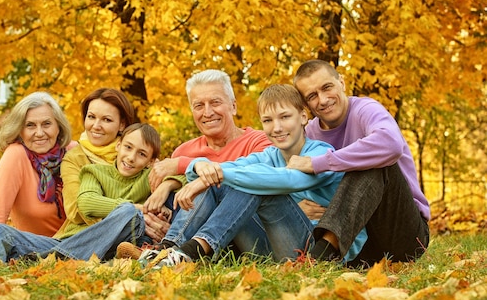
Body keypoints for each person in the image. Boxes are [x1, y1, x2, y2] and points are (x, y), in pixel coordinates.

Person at [135, 84, 367, 268]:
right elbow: (227, 166)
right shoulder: (268, 155)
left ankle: (192, 251)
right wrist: (199, 168)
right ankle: (168, 249)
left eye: (284, 117)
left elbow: (287, 180)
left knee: (252, 183)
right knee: (225, 181)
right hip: (268, 249)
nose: (276, 127)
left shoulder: (320, 153)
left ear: (303, 117)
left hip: (313, 251)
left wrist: (215, 174)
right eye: (268, 121)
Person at [288, 59, 430, 266]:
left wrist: (319, 163)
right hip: (357, 244)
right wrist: (296, 206)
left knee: (375, 161)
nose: (323, 99)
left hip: (402, 234)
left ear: (342, 83)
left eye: (327, 87)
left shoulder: (366, 110)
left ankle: (322, 255)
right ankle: (323, 253)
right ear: (306, 105)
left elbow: (391, 144)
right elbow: (284, 169)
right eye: (312, 96)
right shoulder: (308, 134)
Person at [121, 69, 274, 257]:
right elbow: (173, 208)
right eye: (199, 105)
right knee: (196, 188)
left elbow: (259, 178)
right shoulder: (183, 151)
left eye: (215, 102)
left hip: (252, 239)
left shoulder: (261, 141)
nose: (207, 112)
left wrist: (184, 164)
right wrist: (167, 187)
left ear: (233, 106)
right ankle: (165, 251)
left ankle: (168, 249)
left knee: (209, 181)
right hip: (202, 246)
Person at [0, 123, 168, 264]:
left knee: (129, 216)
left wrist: (169, 182)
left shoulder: (151, 177)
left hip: (109, 247)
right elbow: (87, 203)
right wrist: (139, 208)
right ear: (118, 146)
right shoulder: (94, 171)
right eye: (128, 147)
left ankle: (50, 259)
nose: (131, 157)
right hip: (65, 241)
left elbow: (186, 178)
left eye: (142, 154)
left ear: (151, 161)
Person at [0, 91, 73, 239]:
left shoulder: (74, 151)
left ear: (59, 127)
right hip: (41, 247)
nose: (39, 133)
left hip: (84, 243)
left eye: (46, 124)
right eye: (30, 125)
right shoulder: (16, 155)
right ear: (20, 130)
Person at [53, 88, 137, 240]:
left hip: (133, 235)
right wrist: (129, 215)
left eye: (106, 120)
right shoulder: (74, 159)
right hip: (84, 235)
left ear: (122, 124)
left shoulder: (134, 154)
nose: (96, 126)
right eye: (91, 117)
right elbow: (76, 210)